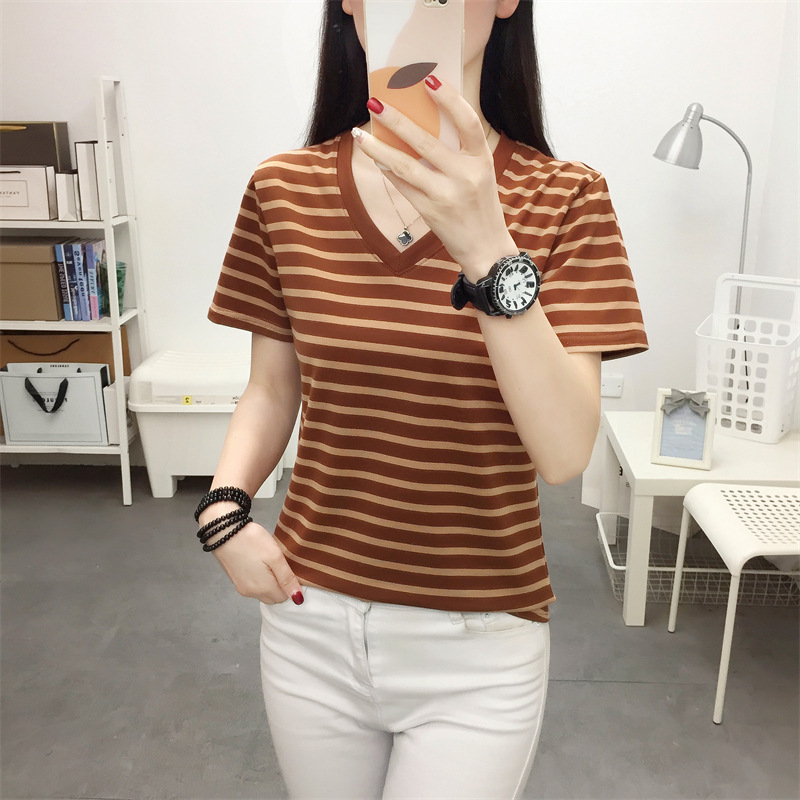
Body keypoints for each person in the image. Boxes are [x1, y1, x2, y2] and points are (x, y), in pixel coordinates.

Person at [198, 1, 648, 798]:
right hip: (309, 617)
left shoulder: (567, 197)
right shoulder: (283, 188)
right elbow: (271, 387)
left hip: (479, 640)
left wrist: (487, 246)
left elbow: (564, 453)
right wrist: (224, 510)